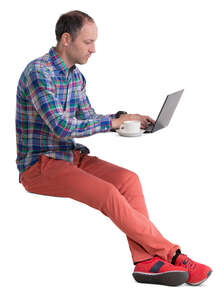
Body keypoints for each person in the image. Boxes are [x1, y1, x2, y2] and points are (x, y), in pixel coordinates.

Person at [16, 10, 212, 287]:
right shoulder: (39, 73)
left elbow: (87, 118)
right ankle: (174, 254)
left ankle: (145, 263)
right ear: (66, 39)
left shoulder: (75, 77)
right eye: (88, 42)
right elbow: (61, 127)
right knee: (108, 193)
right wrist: (113, 122)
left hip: (70, 157)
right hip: (39, 165)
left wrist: (126, 120)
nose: (94, 49)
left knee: (129, 180)